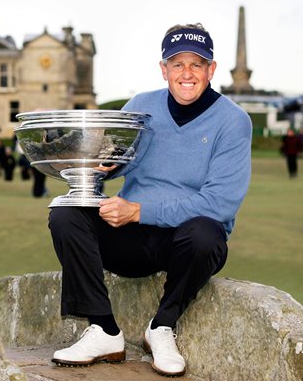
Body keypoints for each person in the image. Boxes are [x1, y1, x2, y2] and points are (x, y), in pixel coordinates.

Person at [48, 23, 252, 377]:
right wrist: (101, 167)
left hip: (185, 246)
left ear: (211, 69)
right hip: (131, 240)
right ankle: (103, 330)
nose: (186, 74)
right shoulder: (141, 106)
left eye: (196, 64)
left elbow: (219, 204)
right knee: (66, 214)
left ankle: (162, 327)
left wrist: (140, 211)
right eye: (177, 64)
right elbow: (112, 161)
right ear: (164, 69)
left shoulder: (233, 121)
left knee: (205, 232)